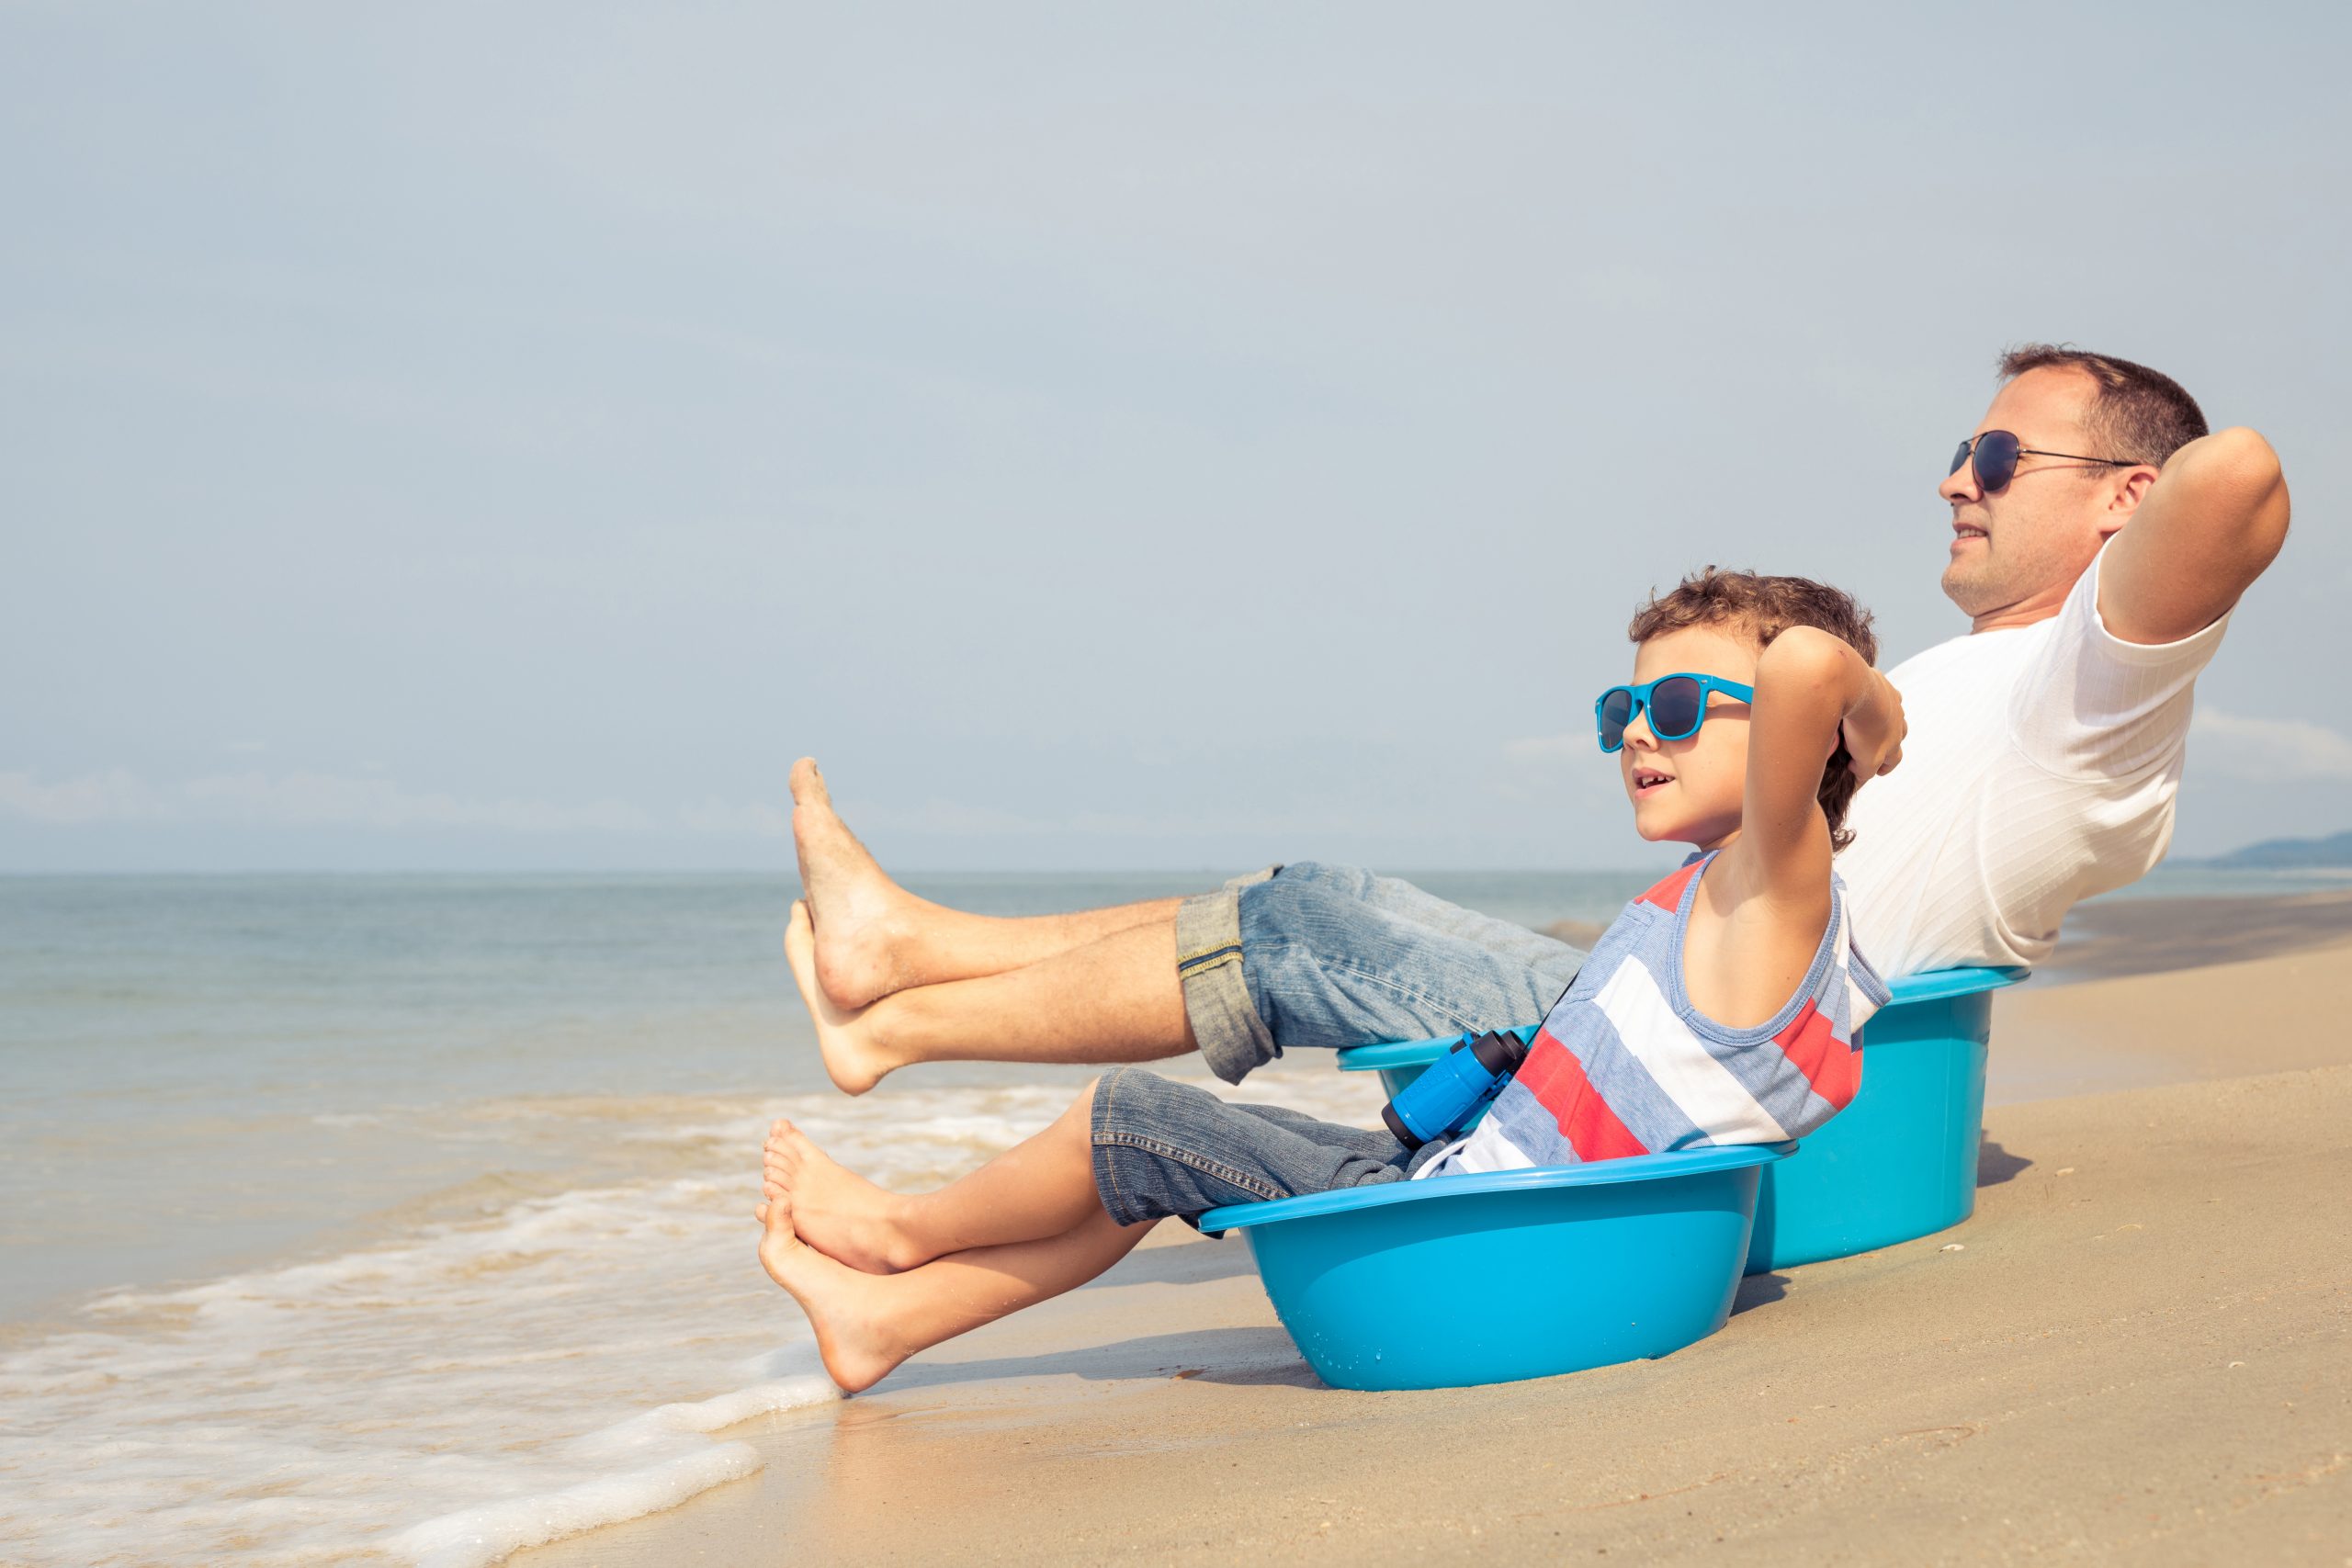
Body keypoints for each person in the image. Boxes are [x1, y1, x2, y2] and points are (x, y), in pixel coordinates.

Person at [783, 345, 2290, 1094]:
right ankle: (908, 974)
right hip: (1693, 1004)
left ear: (2119, 498)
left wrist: (2152, 518)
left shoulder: (2091, 696)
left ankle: (905, 999)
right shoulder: (2004, 676)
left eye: (1998, 453)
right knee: (1321, 901)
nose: (1956, 478)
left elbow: (2241, 482)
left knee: (1310, 923)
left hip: (1714, 1057)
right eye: (1960, 448)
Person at [759, 572, 1903, 1392]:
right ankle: (887, 1321)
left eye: (1674, 710)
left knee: (1129, 1118)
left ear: (1795, 751)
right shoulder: (1725, 895)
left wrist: (1873, 719)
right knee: (1165, 1172)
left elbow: (1805, 665)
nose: (1635, 739)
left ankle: (901, 1236)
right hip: (1459, 1193)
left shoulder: (1768, 884)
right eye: (1621, 712)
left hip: (1473, 1248)